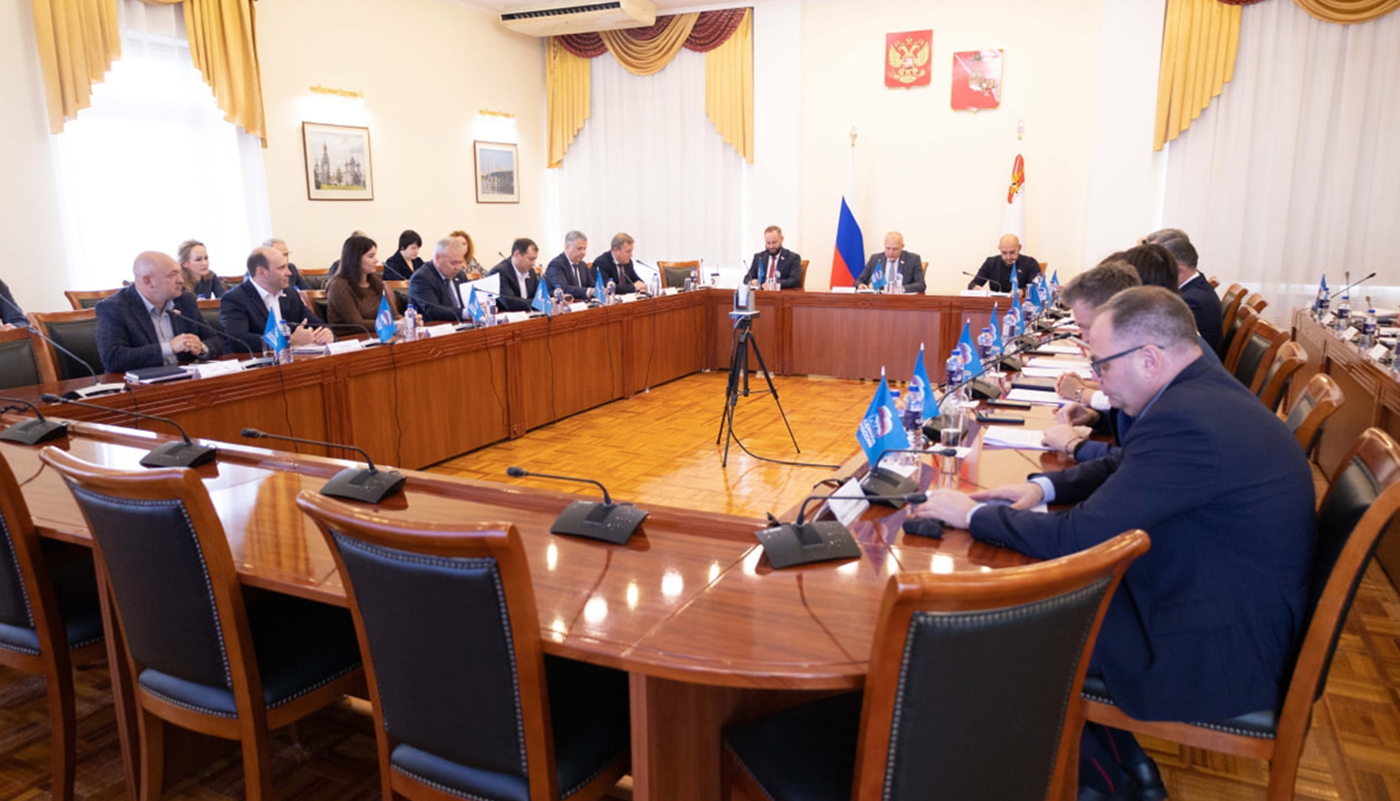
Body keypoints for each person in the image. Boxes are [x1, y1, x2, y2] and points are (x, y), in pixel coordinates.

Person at [917, 286, 1315, 801]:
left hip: (1214, 649)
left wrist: (972, 514)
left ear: (1148, 359)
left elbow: (1078, 537)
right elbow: (1126, 462)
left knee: (1003, 632)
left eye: (1101, 365)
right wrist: (1044, 487)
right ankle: (1130, 768)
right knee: (1039, 604)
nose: (1097, 381)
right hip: (1213, 597)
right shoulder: (1199, 392)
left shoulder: (1188, 419)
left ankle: (1100, 786)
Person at [95, 251, 221, 373]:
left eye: (179, 273)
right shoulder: (113, 307)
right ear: (148, 281)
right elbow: (113, 358)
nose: (181, 280)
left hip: (187, 380)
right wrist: (169, 348)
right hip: (142, 384)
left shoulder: (185, 300)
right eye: (172, 275)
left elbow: (215, 340)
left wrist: (201, 348)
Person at [221, 246, 334, 353]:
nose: (289, 273)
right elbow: (238, 341)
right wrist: (287, 340)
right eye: (281, 268)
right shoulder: (234, 299)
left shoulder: (290, 294)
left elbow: (317, 324)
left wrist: (327, 333)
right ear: (261, 272)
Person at [1145, 228, 1221, 352]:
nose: (1156, 274)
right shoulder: (1195, 286)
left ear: (1179, 270)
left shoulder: (1191, 301)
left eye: (1160, 268)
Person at [327, 234, 397, 333]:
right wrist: (392, 325)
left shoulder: (376, 282)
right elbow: (357, 323)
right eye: (371, 256)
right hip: (351, 338)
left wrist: (407, 320)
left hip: (378, 335)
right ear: (355, 259)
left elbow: (393, 315)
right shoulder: (339, 286)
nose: (376, 260)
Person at [407, 238, 467, 322]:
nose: (457, 267)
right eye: (453, 263)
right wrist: (464, 313)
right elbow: (433, 310)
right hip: (434, 327)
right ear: (438, 258)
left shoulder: (460, 275)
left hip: (464, 325)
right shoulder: (421, 278)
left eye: (460, 263)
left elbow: (467, 301)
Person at [967, 234, 1041, 292]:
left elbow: (1037, 288)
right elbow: (972, 284)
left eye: (1012, 252)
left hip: (1021, 304)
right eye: (1004, 253)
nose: (1008, 257)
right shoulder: (991, 262)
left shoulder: (1030, 263)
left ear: (1019, 248)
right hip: (996, 303)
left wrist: (1023, 291)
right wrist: (975, 288)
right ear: (999, 249)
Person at [857, 232, 925, 293]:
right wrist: (861, 285)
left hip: (902, 300)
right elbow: (859, 281)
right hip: (880, 300)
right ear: (884, 245)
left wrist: (901, 289)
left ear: (902, 247)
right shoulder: (875, 259)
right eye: (888, 248)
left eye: (895, 249)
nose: (891, 252)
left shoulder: (913, 259)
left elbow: (921, 285)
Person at [488, 238, 542, 312]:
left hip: (529, 315)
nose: (533, 264)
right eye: (530, 259)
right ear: (517, 254)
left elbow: (539, 295)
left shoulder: (531, 272)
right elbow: (510, 303)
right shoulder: (499, 272)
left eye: (534, 259)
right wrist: (538, 303)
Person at [545, 231, 594, 301]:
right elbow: (563, 289)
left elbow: (592, 285)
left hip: (582, 304)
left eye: (585, 248)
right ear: (567, 247)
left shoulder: (583, 265)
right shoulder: (556, 265)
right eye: (579, 249)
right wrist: (588, 291)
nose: (583, 253)